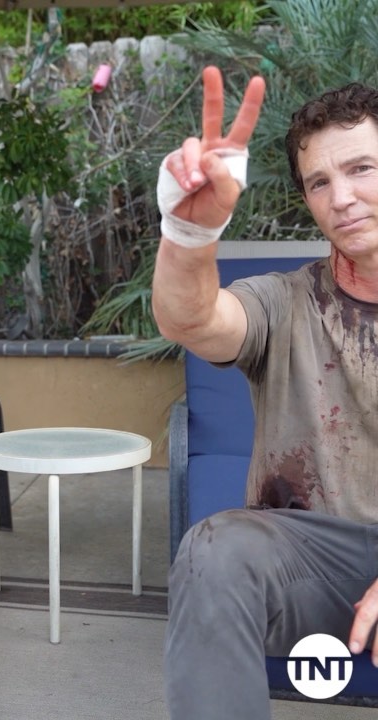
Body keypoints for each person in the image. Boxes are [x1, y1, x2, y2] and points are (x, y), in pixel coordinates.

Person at [153, 65, 378, 719]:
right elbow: (193, 319)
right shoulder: (285, 301)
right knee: (215, 551)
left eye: (361, 169)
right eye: (319, 182)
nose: (342, 197)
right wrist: (189, 234)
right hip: (312, 558)